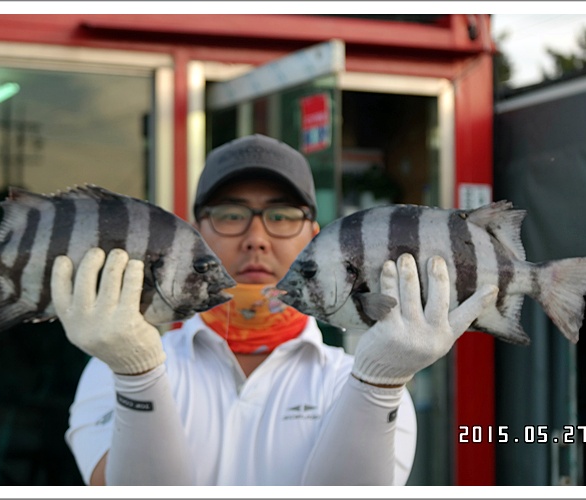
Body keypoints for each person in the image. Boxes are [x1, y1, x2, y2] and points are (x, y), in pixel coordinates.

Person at [52, 134, 497, 486]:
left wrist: (380, 382)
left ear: (315, 237)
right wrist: (137, 373)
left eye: (282, 216)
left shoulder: (354, 377)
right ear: (195, 233)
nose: (256, 239)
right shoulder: (117, 365)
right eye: (231, 214)